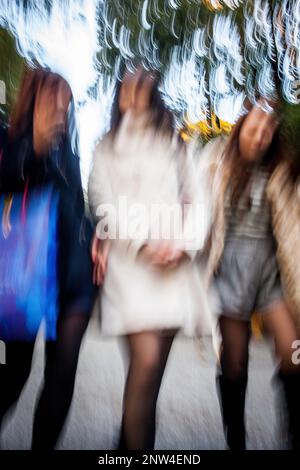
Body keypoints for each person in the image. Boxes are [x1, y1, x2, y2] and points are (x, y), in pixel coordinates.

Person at [88, 66, 212, 450]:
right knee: (145, 365)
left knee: (150, 382)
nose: (136, 89)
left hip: (174, 274)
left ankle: (126, 448)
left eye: (144, 84)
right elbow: (102, 203)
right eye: (129, 84)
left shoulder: (173, 143)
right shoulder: (105, 148)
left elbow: (198, 197)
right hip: (130, 274)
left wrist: (185, 245)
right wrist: (144, 243)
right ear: (120, 94)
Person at [0, 67, 96, 449]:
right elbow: (8, 175)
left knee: (61, 377)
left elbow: (78, 212)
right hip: (23, 276)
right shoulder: (7, 139)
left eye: (67, 105)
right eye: (55, 101)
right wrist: (34, 147)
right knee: (15, 374)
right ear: (33, 98)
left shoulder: (68, 156)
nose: (62, 111)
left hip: (72, 280)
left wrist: (97, 236)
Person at [201, 98, 300, 450]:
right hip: (231, 273)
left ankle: (293, 433)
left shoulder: (282, 170)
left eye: (268, 129)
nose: (261, 135)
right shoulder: (216, 162)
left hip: (270, 273)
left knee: (294, 354)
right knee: (235, 363)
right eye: (255, 127)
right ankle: (236, 439)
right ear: (241, 127)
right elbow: (196, 212)